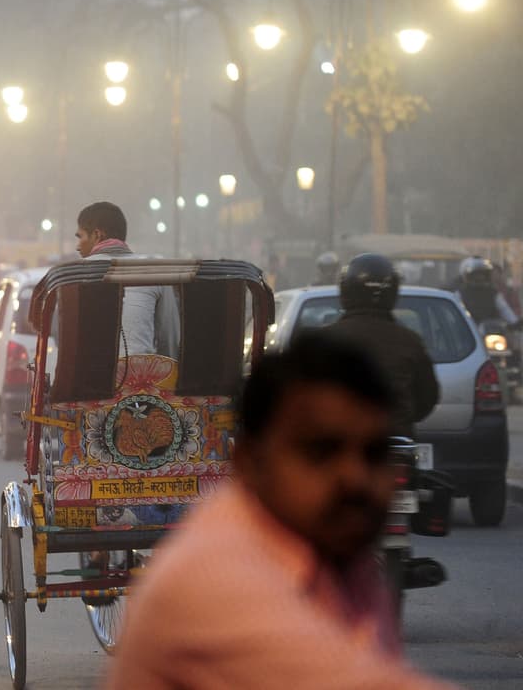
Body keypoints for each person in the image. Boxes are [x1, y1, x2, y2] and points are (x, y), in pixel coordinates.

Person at [107, 331, 455, 689]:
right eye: (320, 452)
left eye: (375, 453)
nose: (355, 478)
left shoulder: (341, 552)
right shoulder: (213, 575)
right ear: (251, 463)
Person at [327, 254, 440, 437]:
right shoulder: (409, 340)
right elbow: (427, 398)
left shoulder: (324, 340)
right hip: (395, 439)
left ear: (346, 290)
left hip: (340, 441)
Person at [75, 201, 180, 358]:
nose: (77, 246)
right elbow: (169, 342)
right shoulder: (154, 274)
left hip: (88, 378)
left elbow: (60, 334)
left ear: (97, 235)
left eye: (80, 236)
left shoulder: (73, 275)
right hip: (140, 378)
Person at [455, 256, 520, 328]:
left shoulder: (494, 293)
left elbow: (505, 309)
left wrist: (515, 323)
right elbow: (455, 313)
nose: (480, 277)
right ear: (466, 276)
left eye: (483, 274)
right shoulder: (460, 294)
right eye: (476, 274)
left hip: (491, 332)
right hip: (468, 331)